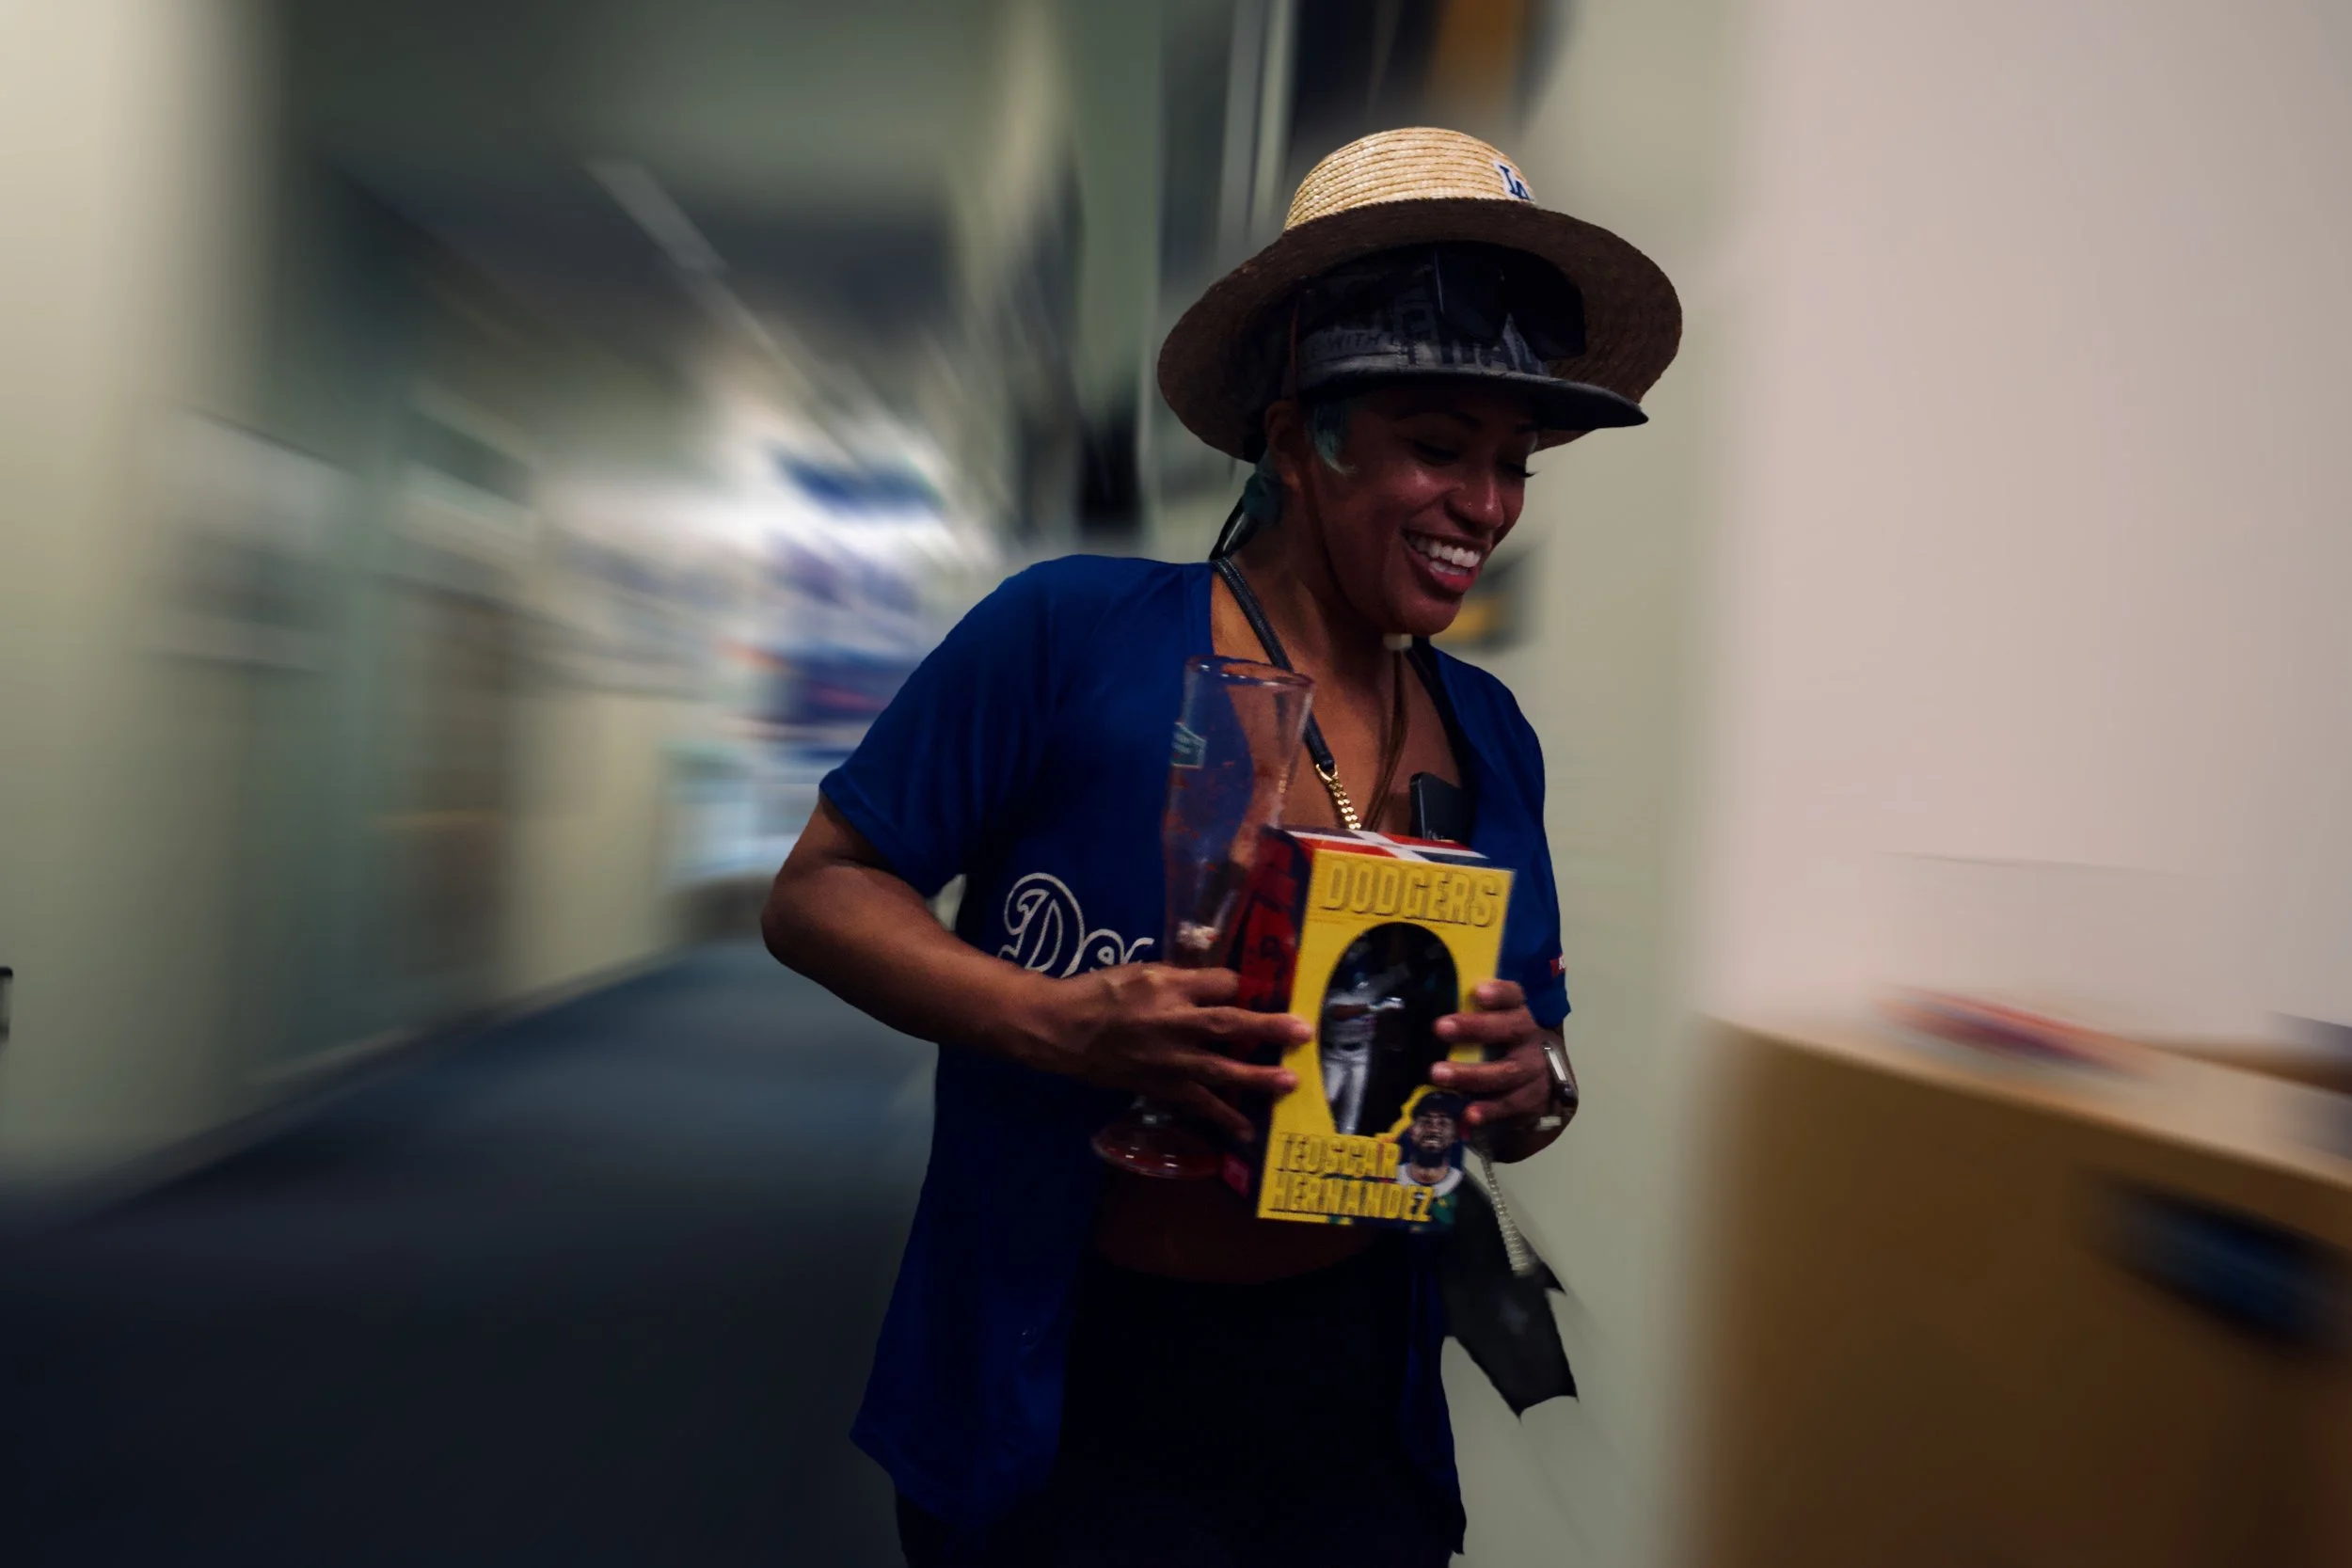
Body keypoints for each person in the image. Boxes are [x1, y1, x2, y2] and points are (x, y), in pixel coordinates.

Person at [763, 127, 1678, 1568]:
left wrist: (1527, 1077)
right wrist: (1058, 1021)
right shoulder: (1068, 637)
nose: (1487, 509)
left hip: (1349, 1387)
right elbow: (819, 893)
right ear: (1294, 434)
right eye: (1440, 448)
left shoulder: (1487, 731)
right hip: (1070, 1373)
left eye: (1514, 466)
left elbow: (1537, 1076)